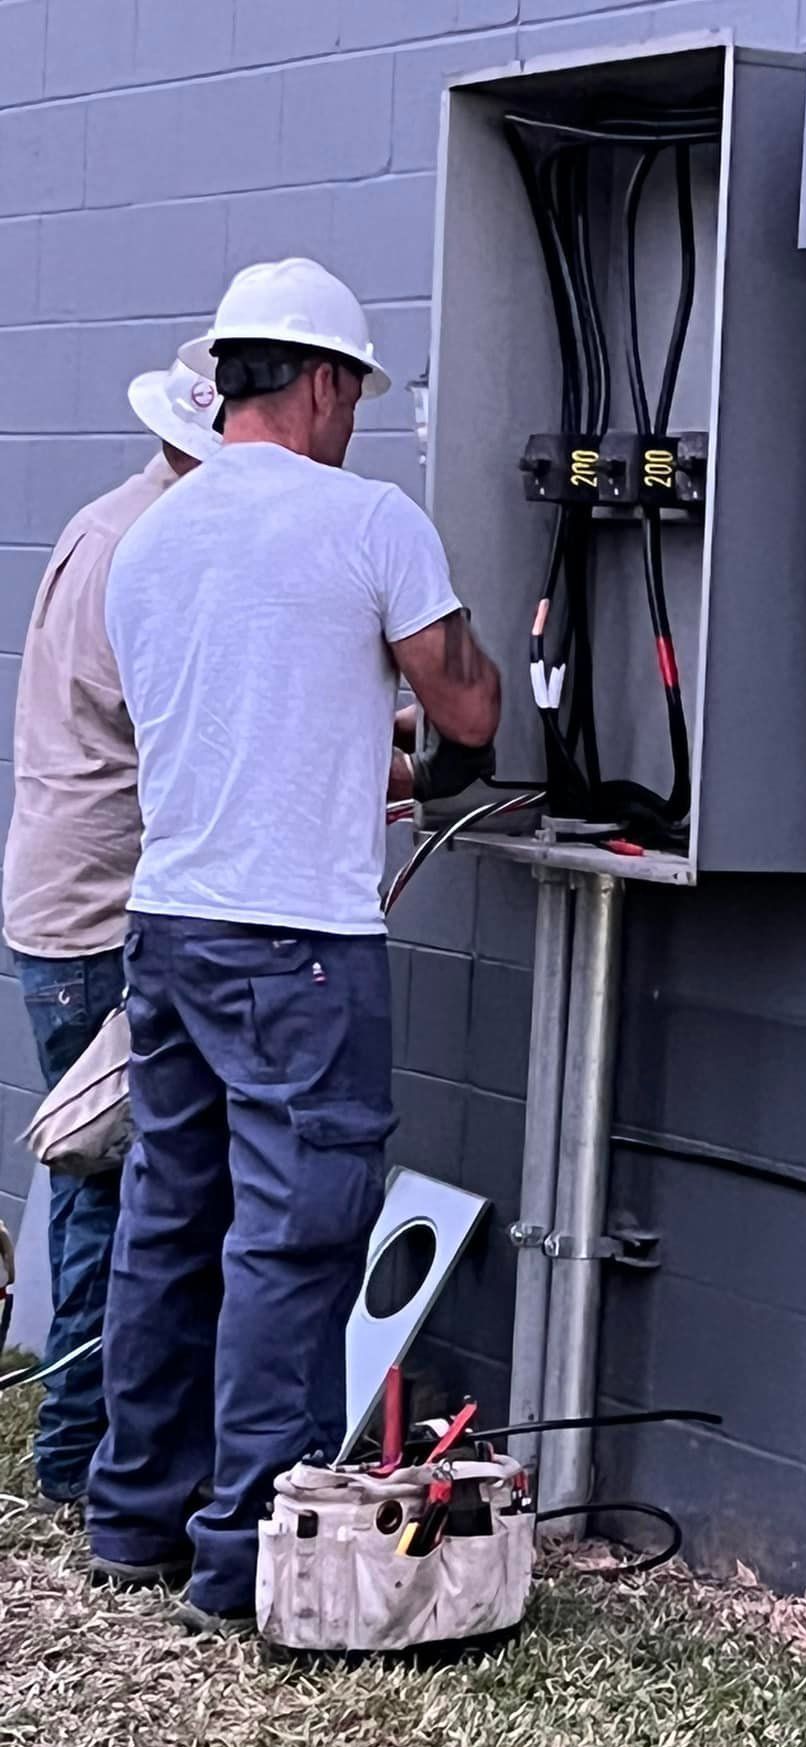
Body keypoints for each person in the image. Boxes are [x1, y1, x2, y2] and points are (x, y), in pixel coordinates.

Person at [86, 258, 501, 1629]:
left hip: (171, 925)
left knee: (168, 1214)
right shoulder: (369, 520)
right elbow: (473, 709)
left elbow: (232, 720)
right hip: (298, 947)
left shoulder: (152, 535)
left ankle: (132, 1514)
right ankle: (242, 1560)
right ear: (323, 382)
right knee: (292, 1240)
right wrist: (461, 669)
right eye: (355, 394)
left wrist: (346, 746)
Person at [3, 359, 222, 1508]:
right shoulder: (157, 550)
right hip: (100, 919)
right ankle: (79, 1454)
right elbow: (187, 732)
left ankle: (83, 1444)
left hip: (60, 907)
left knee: (108, 1187)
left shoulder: (108, 523)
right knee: (113, 1189)